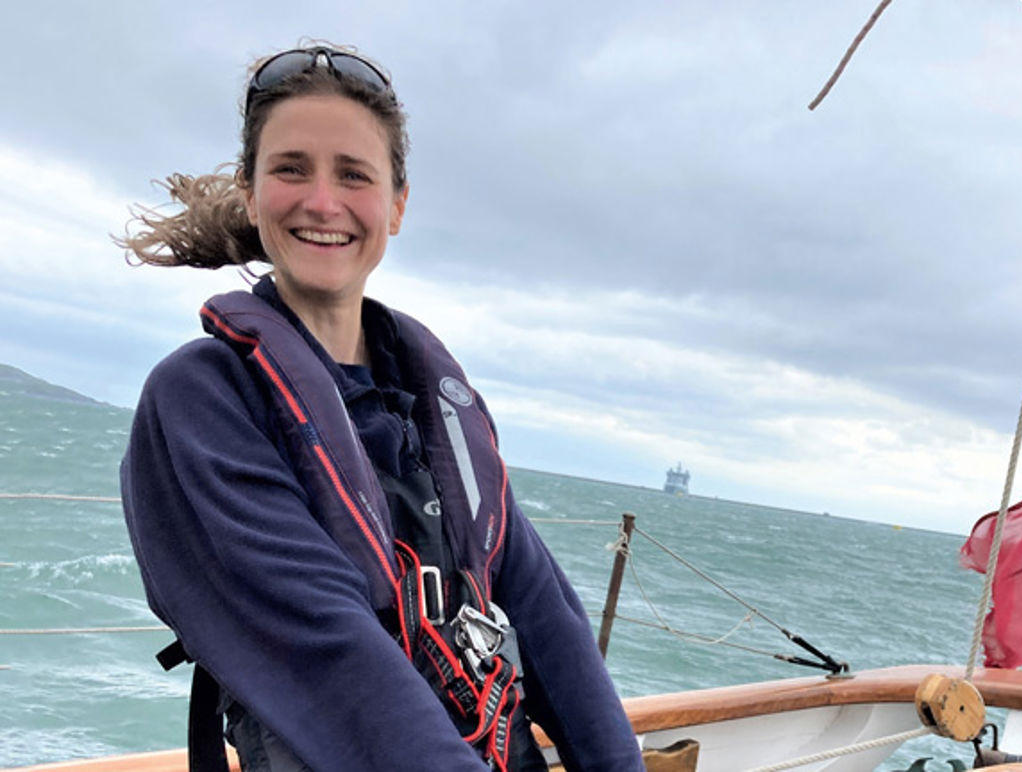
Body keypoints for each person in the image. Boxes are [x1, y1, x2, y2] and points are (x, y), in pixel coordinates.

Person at [117, 45, 645, 772]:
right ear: (250, 191)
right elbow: (326, 650)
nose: (323, 202)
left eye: (354, 175)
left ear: (396, 205)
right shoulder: (203, 400)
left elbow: (547, 618)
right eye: (291, 168)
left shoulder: (440, 412)